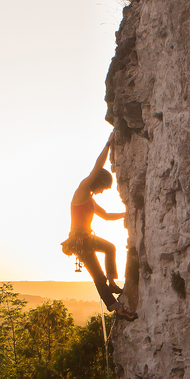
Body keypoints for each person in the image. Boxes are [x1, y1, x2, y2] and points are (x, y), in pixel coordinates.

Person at [61, 135, 137, 321]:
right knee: (98, 277)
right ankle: (117, 308)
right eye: (103, 188)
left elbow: (107, 216)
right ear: (99, 183)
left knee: (110, 247)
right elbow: (97, 167)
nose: (103, 191)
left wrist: (128, 214)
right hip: (80, 244)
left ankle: (112, 282)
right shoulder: (82, 191)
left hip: (88, 239)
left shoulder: (91, 201)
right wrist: (107, 145)